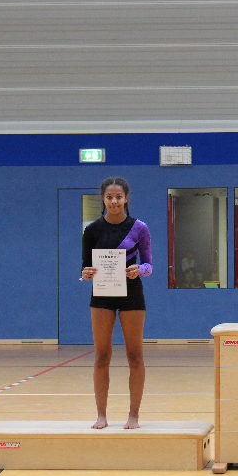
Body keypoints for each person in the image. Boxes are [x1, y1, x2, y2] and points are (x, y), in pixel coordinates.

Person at [81, 177, 152, 428]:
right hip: (102, 295)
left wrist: (139, 270)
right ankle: (101, 414)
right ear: (103, 199)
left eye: (118, 197)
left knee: (135, 355)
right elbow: (85, 267)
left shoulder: (139, 228)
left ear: (126, 198)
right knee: (102, 355)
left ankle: (134, 415)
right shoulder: (92, 230)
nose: (114, 201)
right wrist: (86, 273)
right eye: (109, 197)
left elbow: (149, 265)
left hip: (132, 293)